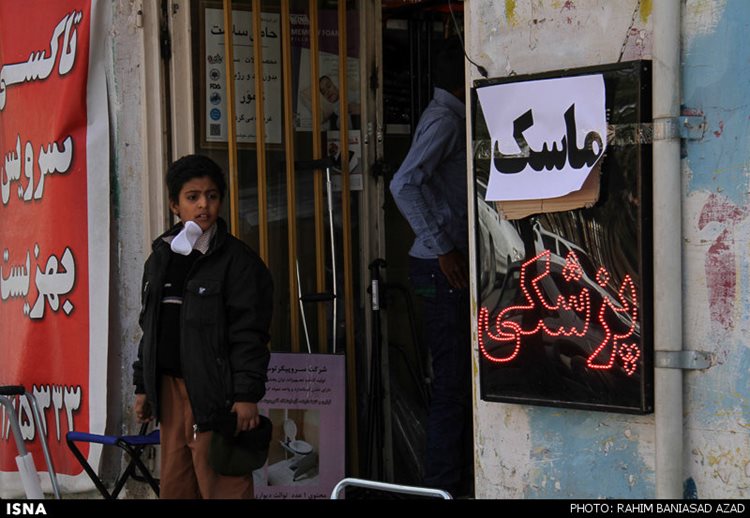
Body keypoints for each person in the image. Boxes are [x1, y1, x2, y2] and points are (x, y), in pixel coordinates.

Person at [132, 154, 273, 499]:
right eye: (192, 197)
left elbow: (249, 335)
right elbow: (150, 328)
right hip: (169, 392)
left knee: (223, 486)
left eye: (211, 196)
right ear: (174, 205)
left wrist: (245, 396)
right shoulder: (160, 258)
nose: (203, 206)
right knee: (177, 486)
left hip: (214, 396)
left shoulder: (238, 262)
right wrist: (143, 385)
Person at [389, 37, 472, 497]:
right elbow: (403, 184)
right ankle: (443, 487)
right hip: (440, 270)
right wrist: (443, 246)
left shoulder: (449, 116)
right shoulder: (446, 120)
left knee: (456, 379)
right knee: (453, 382)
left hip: (441, 267)